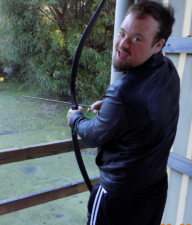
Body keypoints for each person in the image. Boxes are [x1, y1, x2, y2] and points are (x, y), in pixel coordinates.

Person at [67, 2, 179, 225]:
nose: (122, 44)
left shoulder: (123, 92)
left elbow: (92, 135)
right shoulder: (167, 69)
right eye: (122, 33)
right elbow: (143, 112)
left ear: (158, 44)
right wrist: (113, 109)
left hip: (119, 198)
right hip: (154, 189)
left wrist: (76, 118)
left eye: (137, 38)